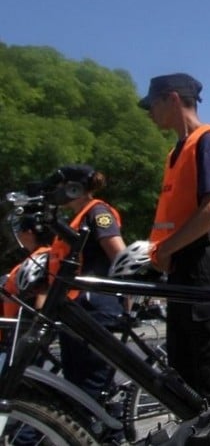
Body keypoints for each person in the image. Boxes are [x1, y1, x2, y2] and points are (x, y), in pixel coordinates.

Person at [138, 72, 210, 400]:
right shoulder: (174, 153)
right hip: (183, 266)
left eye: (152, 105)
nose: (149, 113)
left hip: (206, 262)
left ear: (171, 98)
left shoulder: (207, 140)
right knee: (186, 374)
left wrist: (165, 249)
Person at [43, 165, 127, 435]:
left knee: (94, 387)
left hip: (95, 307)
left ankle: (111, 438)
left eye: (64, 185)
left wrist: (129, 296)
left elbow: (118, 255)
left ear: (75, 187)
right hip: (76, 310)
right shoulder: (75, 218)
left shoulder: (97, 212)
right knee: (77, 386)